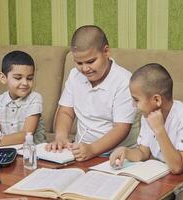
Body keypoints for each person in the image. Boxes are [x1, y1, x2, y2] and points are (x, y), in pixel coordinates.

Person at [110, 63, 183, 199]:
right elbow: (143, 153)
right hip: (164, 178)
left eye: (136, 100)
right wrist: (126, 152)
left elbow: (177, 167)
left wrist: (159, 129)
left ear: (157, 100)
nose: (133, 105)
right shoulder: (147, 115)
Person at [46, 25, 138, 161]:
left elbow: (121, 128)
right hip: (80, 152)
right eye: (79, 63)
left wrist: (92, 150)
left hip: (116, 155)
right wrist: (61, 137)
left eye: (90, 61)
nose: (85, 69)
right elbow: (65, 112)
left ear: (106, 52)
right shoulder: (74, 75)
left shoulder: (124, 81)